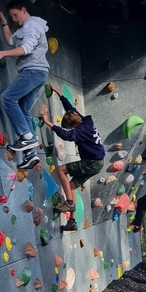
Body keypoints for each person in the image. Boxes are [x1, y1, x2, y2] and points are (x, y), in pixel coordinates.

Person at [0, 0, 50, 170]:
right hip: (39, 73)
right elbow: (11, 41)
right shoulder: (26, 28)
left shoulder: (32, 24)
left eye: (15, 15)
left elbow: (25, 48)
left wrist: (2, 54)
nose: (15, 19)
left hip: (33, 71)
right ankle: (31, 154)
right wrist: (3, 22)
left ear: (24, 9)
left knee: (7, 98)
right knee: (23, 109)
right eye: (12, 17)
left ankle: (27, 137)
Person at [40, 84, 105, 231]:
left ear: (72, 126)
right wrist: (57, 92)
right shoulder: (85, 121)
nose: (70, 130)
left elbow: (65, 135)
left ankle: (70, 202)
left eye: (69, 127)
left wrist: (47, 122)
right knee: (71, 186)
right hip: (98, 162)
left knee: (61, 170)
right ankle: (72, 222)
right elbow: (70, 108)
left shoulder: (79, 131)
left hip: (92, 162)